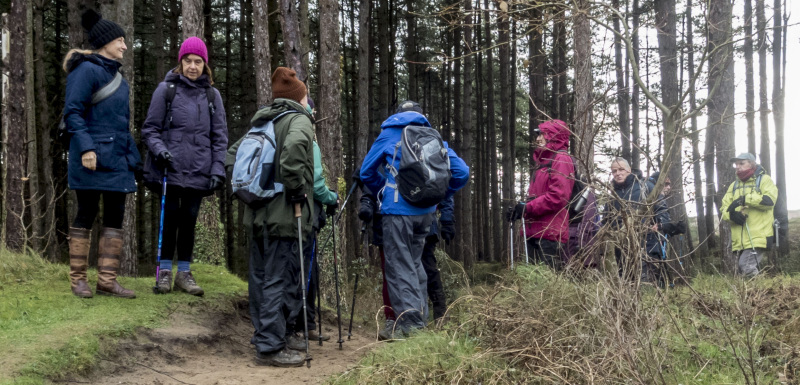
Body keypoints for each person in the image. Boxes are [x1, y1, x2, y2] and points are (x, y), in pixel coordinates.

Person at [226, 67, 314, 367]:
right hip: (285, 216)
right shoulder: (299, 120)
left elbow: (231, 156)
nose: (308, 100)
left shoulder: (262, 121)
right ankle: (270, 346)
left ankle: (266, 334)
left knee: (261, 278)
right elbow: (292, 156)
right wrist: (296, 189)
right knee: (279, 279)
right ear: (299, 97)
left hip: (257, 214)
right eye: (306, 95)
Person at [360, 100, 469, 339]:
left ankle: (410, 327)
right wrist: (440, 197)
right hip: (425, 214)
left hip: (397, 211)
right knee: (416, 266)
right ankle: (419, 321)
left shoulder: (389, 134)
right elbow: (462, 172)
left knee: (399, 268)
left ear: (398, 115)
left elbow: (366, 171)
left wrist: (386, 190)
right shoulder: (432, 135)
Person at [63, 9, 141, 299]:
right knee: (86, 213)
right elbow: (72, 113)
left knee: (115, 216)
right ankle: (78, 281)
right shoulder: (85, 71)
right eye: (120, 40)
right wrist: (86, 148)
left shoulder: (120, 79)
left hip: (117, 160)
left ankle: (107, 281)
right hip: (91, 158)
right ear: (105, 42)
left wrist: (134, 160)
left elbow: (121, 126)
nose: (124, 46)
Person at [142, 37, 228, 296]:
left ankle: (185, 273)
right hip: (170, 169)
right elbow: (150, 129)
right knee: (169, 219)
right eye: (188, 61)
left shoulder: (212, 96)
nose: (193, 66)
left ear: (205, 65)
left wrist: (217, 169)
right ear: (181, 63)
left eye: (198, 62)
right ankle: (165, 272)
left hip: (200, 170)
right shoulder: (165, 89)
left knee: (189, 220)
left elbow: (219, 137)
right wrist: (160, 150)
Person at [507, 120, 575, 271]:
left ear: (554, 136)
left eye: (542, 134)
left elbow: (558, 197)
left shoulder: (561, 159)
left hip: (550, 235)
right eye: (538, 135)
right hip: (536, 233)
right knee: (534, 286)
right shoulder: (543, 163)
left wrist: (528, 208)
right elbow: (537, 197)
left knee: (548, 288)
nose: (538, 139)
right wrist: (519, 210)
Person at [298, 96, 338, 342]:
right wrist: (331, 198)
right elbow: (317, 183)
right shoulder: (308, 140)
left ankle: (302, 324)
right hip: (306, 215)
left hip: (284, 214)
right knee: (308, 271)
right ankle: (306, 324)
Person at [604, 158, 664, 282]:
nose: (618, 173)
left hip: (647, 246)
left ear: (629, 170)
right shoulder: (612, 195)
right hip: (621, 250)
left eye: (621, 169)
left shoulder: (645, 187)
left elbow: (662, 210)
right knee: (626, 288)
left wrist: (661, 226)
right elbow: (606, 221)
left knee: (648, 289)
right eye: (614, 171)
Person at [720, 153, 778, 277]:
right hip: (739, 239)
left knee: (746, 267)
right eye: (736, 164)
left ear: (752, 164)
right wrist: (731, 216)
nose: (737, 166)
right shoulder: (734, 186)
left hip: (758, 236)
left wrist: (746, 199)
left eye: (741, 163)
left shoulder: (764, 180)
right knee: (744, 271)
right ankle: (757, 294)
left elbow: (769, 201)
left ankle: (763, 293)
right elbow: (724, 208)